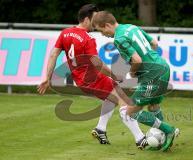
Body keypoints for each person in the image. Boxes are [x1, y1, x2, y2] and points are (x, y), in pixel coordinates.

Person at [37, 4, 148, 149]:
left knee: (112, 97)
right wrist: (114, 75)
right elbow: (98, 64)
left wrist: (47, 77)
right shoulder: (87, 38)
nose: (96, 24)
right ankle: (140, 139)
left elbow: (53, 54)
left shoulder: (65, 33)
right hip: (93, 78)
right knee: (123, 100)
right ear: (86, 19)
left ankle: (100, 129)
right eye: (94, 19)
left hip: (80, 80)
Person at [92, 11, 180, 151]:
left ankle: (169, 130)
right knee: (153, 106)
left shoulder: (119, 38)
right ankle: (163, 137)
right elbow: (154, 43)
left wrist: (133, 72)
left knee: (130, 112)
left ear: (107, 25)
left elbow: (137, 60)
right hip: (162, 67)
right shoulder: (131, 27)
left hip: (152, 74)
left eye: (100, 30)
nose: (102, 34)